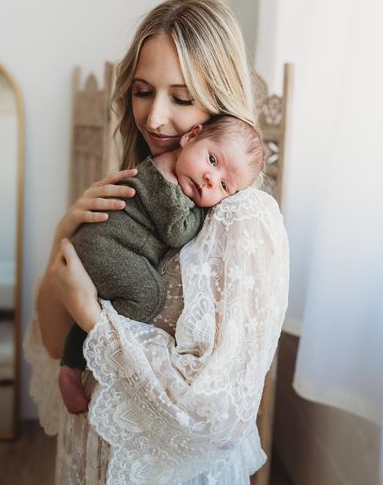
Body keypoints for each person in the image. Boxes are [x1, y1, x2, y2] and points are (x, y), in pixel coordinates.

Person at [24, 0, 289, 485]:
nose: (154, 116)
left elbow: (216, 413)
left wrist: (93, 319)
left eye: (182, 97)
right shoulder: (130, 189)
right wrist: (61, 241)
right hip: (97, 467)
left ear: (218, 106)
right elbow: (53, 346)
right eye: (142, 91)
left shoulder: (245, 220)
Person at [59, 115, 264, 414]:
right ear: (190, 136)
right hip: (107, 247)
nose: (209, 178)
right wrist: (204, 213)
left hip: (104, 246)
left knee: (118, 299)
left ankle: (72, 361)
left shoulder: (174, 169)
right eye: (211, 159)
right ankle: (91, 351)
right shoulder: (164, 176)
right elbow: (177, 231)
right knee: (149, 296)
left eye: (223, 186)